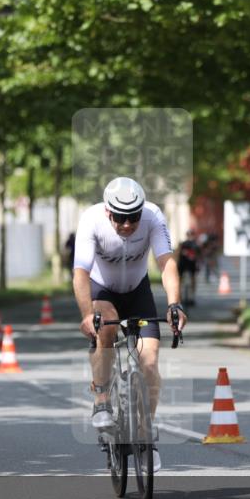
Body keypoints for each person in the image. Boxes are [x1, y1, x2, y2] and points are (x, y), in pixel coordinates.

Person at [73, 176, 188, 473]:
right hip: (102, 291)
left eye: (133, 217)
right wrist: (86, 314)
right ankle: (102, 398)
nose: (127, 224)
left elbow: (166, 263)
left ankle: (146, 437)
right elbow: (81, 273)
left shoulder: (153, 216)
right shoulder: (91, 220)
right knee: (106, 327)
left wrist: (174, 304)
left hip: (138, 292)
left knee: (150, 360)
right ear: (108, 212)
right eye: (120, 218)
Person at [177, 229, 200, 307]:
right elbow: (199, 255)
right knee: (183, 279)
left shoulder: (188, 244)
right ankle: (182, 296)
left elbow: (198, 255)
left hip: (187, 264)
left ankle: (188, 297)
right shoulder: (192, 244)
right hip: (185, 263)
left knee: (191, 279)